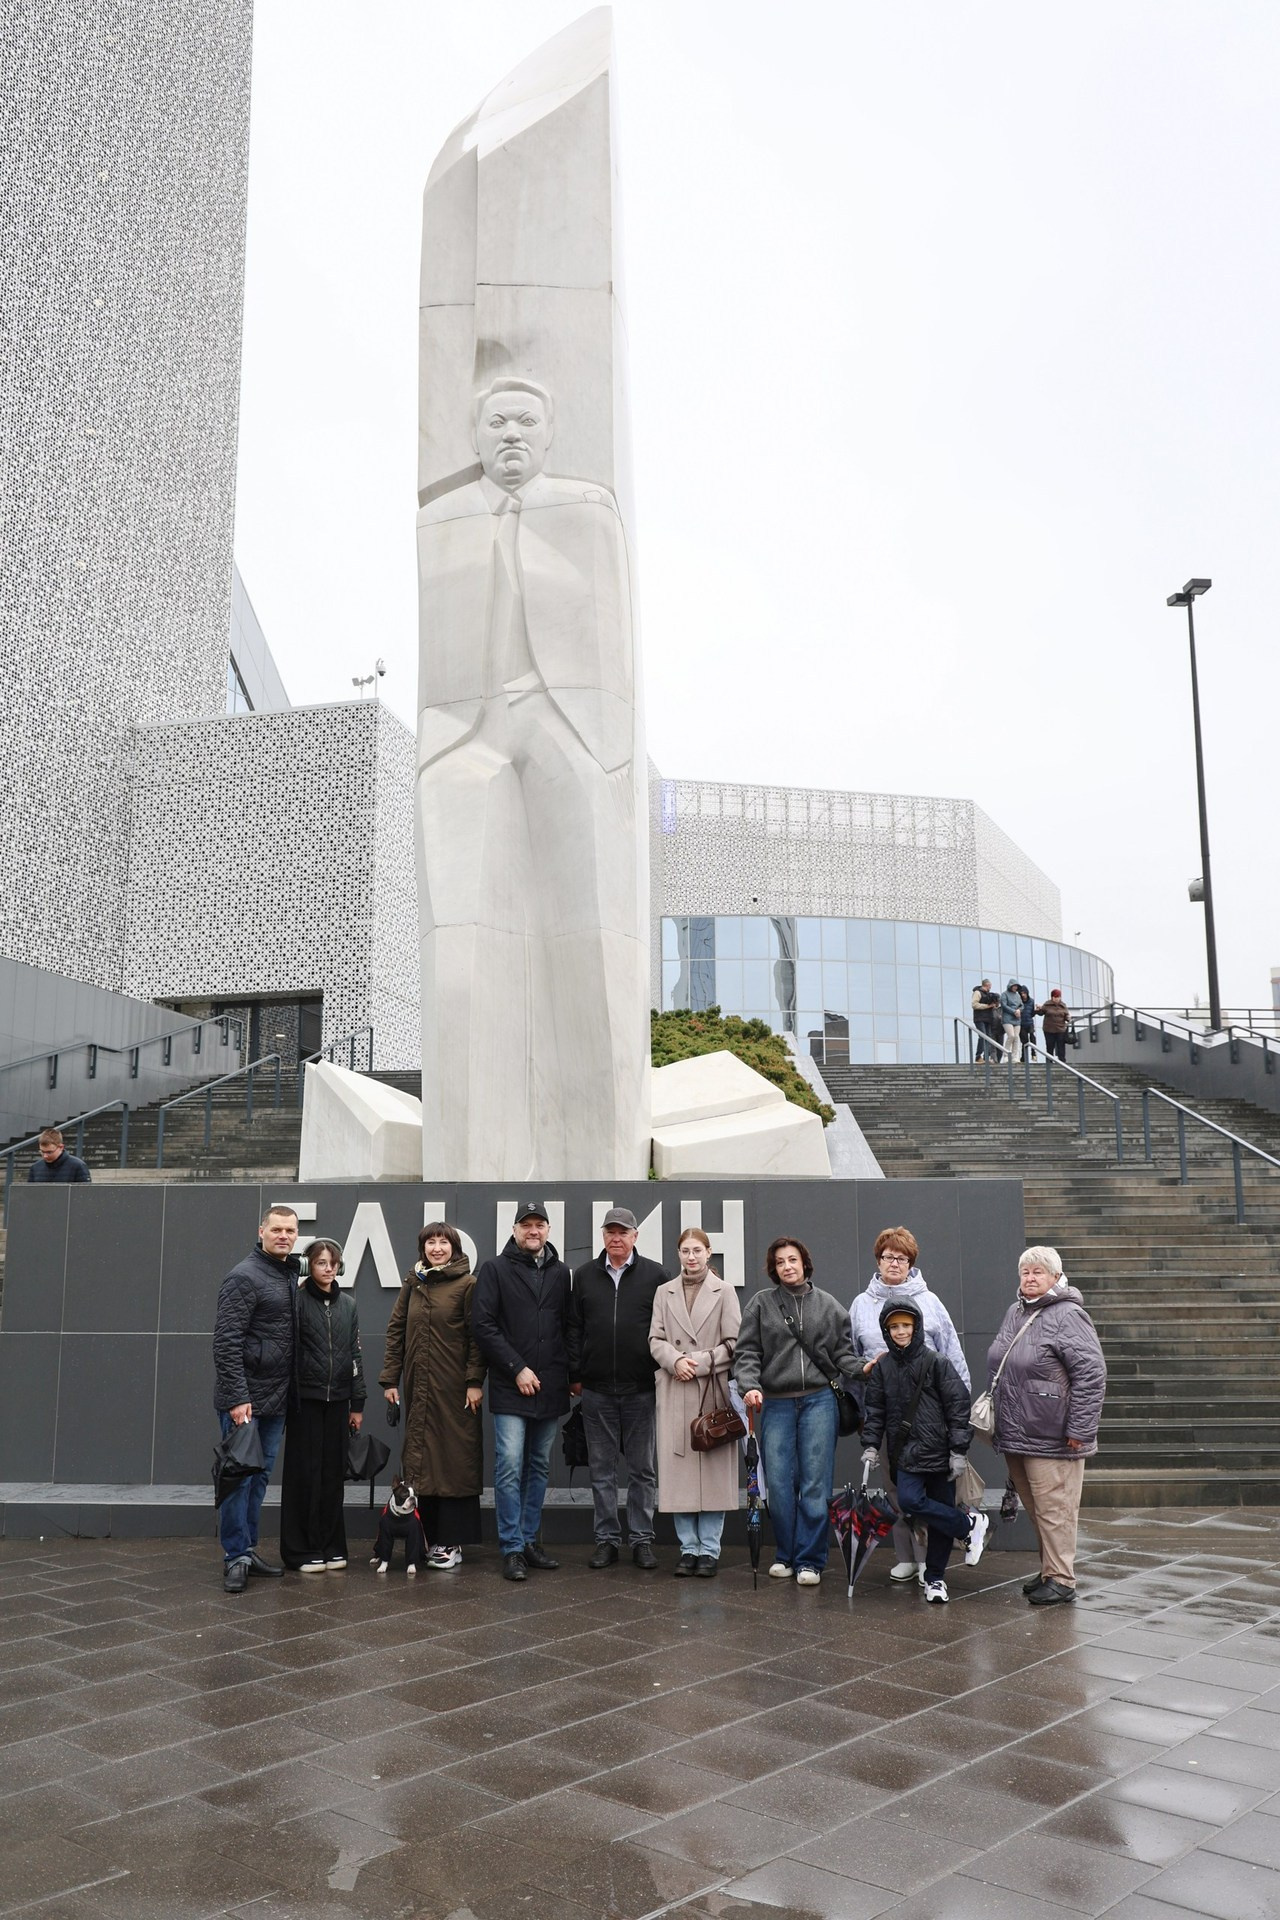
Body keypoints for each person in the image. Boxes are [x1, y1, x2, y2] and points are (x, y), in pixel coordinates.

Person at [416, 377, 647, 1183]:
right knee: (462, 950)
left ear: (548, 435)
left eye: (526, 421)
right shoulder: (440, 519)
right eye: (496, 421)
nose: (511, 433)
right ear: (474, 435)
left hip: (569, 723)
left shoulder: (586, 507)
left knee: (586, 932)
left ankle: (595, 1156)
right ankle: (471, 1164)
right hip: (468, 730)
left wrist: (608, 745)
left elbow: (611, 631)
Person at [987, 1245, 1106, 1607]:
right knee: (1038, 1508)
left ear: (1056, 1277)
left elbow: (1091, 1374)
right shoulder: (1016, 1311)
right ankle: (1048, 1571)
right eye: (1025, 1272)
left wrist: (1080, 1429)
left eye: (1039, 1272)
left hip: (1053, 1434)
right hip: (1018, 1431)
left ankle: (1062, 1578)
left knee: (1056, 1509)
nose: (1030, 1278)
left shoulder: (1068, 1314)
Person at [734, 1236, 857, 1587]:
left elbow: (843, 1354)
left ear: (805, 1262)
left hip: (819, 1400)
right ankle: (785, 1554)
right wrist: (750, 1385)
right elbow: (747, 1353)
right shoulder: (761, 1304)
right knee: (780, 1483)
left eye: (793, 1259)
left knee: (815, 1483)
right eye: (780, 1262)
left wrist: (862, 1367)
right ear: (773, 1269)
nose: (787, 1266)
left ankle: (810, 1560)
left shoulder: (830, 1305)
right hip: (775, 1403)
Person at [849, 1226, 970, 1584]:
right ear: (878, 1260)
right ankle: (906, 1555)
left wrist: (957, 1423)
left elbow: (952, 1356)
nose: (894, 1264)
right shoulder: (861, 1304)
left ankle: (930, 1564)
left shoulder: (929, 1302)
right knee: (895, 1489)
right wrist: (863, 1414)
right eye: (888, 1257)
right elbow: (853, 1359)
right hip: (886, 1414)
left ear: (911, 1262)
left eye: (902, 1258)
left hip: (930, 1416)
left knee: (931, 1491)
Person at [860, 1299, 987, 1604]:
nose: (900, 1331)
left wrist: (958, 1450)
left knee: (939, 1518)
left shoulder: (937, 1362)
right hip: (906, 1454)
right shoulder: (883, 1368)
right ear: (886, 1330)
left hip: (940, 1454)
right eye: (894, 1327)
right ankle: (968, 1524)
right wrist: (870, 1445)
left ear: (915, 1327)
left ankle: (936, 1579)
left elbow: (958, 1407)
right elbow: (874, 1410)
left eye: (905, 1325)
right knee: (909, 1502)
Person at [471, 1199, 571, 1581]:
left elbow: (567, 1327)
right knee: (510, 1466)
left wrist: (571, 1374)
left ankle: (530, 1541)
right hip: (511, 1384)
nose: (533, 1231)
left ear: (547, 1230)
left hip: (551, 1385)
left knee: (539, 1466)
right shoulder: (495, 1270)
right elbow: (484, 1326)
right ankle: (511, 1546)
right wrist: (517, 1368)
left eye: (540, 1225)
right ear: (514, 1230)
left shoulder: (562, 1273)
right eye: (526, 1225)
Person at [569, 1207, 671, 1571]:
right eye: (610, 1231)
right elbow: (574, 1329)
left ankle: (642, 1540)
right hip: (596, 1390)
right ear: (603, 1236)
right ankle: (607, 1541)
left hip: (641, 1388)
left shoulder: (656, 1275)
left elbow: (666, 1328)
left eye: (623, 1232)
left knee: (642, 1470)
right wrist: (575, 1374)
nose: (616, 1238)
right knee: (602, 1470)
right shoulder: (583, 1276)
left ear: (635, 1236)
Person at [381, 1222, 485, 1570]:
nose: (437, 1248)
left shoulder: (468, 1284)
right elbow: (396, 1331)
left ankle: (450, 1542)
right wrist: (390, 1379)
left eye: (443, 1242)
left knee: (453, 1460)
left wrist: (474, 1381)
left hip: (454, 1390)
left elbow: (476, 1338)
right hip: (417, 1387)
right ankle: (423, 1536)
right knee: (420, 1460)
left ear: (454, 1247)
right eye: (430, 1242)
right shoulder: (414, 1284)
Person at [212, 1204, 299, 1592]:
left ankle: (247, 1548)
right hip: (246, 1401)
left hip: (276, 1400)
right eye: (277, 1229)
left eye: (290, 1231)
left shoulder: (285, 1275)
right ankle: (234, 1558)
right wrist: (237, 1397)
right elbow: (226, 1341)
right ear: (261, 1230)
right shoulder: (244, 1276)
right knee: (237, 1480)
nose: (284, 1236)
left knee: (259, 1479)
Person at [649, 1227, 742, 1577]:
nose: (691, 1257)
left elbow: (736, 1341)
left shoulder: (725, 1291)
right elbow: (654, 1338)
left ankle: (711, 1550)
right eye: (685, 1251)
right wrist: (674, 1361)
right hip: (675, 1386)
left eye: (697, 1250)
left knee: (713, 1468)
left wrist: (698, 1363)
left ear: (709, 1252)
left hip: (710, 1389)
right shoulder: (663, 1291)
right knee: (681, 1471)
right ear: (678, 1254)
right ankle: (688, 1548)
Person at [280, 1238, 365, 1573]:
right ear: (308, 1266)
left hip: (339, 1402)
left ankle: (331, 1546)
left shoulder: (349, 1304)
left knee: (331, 1477)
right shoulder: (296, 1302)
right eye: (320, 1263)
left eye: (333, 1263)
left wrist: (357, 1403)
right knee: (304, 1477)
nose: (328, 1269)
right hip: (306, 1403)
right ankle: (300, 1550)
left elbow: (355, 1356)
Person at [1037, 988, 1071, 1061]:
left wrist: (1068, 1018)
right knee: (1050, 1046)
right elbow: (1041, 1013)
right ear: (1052, 997)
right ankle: (1049, 1061)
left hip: (1060, 1029)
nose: (1056, 999)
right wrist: (1038, 1010)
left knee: (1061, 1046)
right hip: (1049, 1029)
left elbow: (1066, 1016)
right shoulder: (1047, 1004)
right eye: (1055, 997)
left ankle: (1062, 1061)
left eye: (1058, 997)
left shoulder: (1063, 1005)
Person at [971, 980, 1000, 1062]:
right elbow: (974, 1005)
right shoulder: (977, 992)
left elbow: (991, 1006)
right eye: (990, 986)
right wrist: (988, 1006)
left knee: (988, 1038)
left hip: (988, 1019)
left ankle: (986, 1057)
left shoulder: (989, 995)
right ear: (987, 985)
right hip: (979, 1018)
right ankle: (978, 1056)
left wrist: (994, 1005)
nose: (990, 988)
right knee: (982, 1036)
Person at [1000, 980, 1024, 1062]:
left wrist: (1019, 1010)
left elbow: (1022, 1005)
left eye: (1016, 986)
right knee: (1011, 1036)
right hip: (1007, 1019)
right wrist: (1013, 1011)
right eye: (1014, 986)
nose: (1015, 987)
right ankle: (1006, 1055)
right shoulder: (1004, 994)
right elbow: (1004, 1005)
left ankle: (1015, 1056)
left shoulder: (1017, 995)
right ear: (1010, 986)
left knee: (1016, 1037)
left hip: (1017, 1019)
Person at [1018, 985, 1037, 1060]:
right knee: (1024, 1041)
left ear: (1027, 993)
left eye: (1024, 993)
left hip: (1029, 1022)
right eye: (1021, 993)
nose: (1023, 995)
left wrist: (1036, 1011)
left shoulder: (1032, 1001)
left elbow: (1032, 1013)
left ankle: (1033, 1053)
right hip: (1021, 1024)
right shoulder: (1018, 1002)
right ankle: (1024, 1057)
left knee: (1032, 1036)